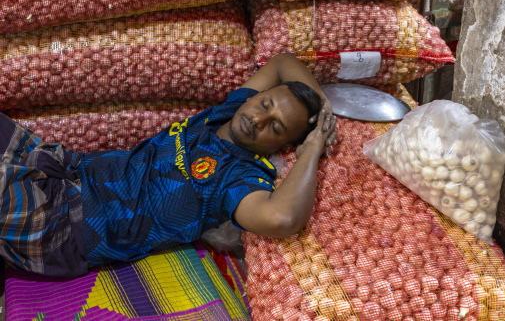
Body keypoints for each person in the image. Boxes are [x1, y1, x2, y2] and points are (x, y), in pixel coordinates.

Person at [0, 53, 337, 278]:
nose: (259, 119)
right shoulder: (228, 112)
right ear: (251, 96)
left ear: (282, 145)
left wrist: (313, 145)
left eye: (275, 127)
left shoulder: (240, 175)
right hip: (66, 167)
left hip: (67, 224)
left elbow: (283, 218)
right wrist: (323, 110)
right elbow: (282, 63)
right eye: (264, 104)